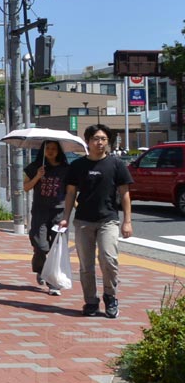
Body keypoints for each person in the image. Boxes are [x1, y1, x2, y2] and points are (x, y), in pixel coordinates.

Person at [59, 124, 133, 319]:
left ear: (107, 142)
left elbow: (125, 194)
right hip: (83, 221)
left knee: (109, 259)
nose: (99, 143)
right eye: (95, 139)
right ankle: (91, 301)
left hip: (108, 219)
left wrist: (128, 221)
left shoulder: (116, 164)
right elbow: (70, 193)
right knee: (86, 265)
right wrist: (65, 218)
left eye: (103, 139)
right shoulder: (78, 166)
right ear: (88, 142)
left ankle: (110, 296)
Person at [23, 141, 70, 295]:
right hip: (40, 212)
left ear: (59, 151)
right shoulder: (34, 167)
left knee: (58, 248)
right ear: (43, 150)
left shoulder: (66, 169)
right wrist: (37, 176)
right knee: (41, 246)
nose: (50, 151)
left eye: (54, 149)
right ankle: (41, 269)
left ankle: (53, 282)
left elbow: (71, 191)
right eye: (47, 148)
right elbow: (26, 187)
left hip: (60, 213)